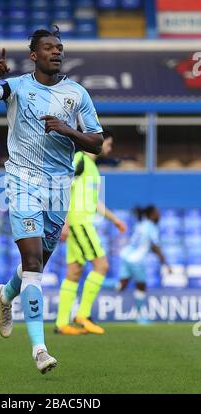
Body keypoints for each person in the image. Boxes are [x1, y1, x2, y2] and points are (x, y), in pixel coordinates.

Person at [0, 26, 103, 374]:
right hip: (21, 181)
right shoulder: (16, 87)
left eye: (59, 47)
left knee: (38, 263)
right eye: (49, 48)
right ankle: (40, 350)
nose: (56, 52)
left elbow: (97, 143)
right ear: (34, 55)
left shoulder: (77, 94)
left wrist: (69, 130)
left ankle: (4, 295)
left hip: (59, 188)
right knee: (32, 263)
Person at [55, 130, 127, 335]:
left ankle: (61, 323)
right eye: (109, 144)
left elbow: (94, 202)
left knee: (74, 271)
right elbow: (63, 188)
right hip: (79, 223)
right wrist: (65, 221)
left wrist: (115, 221)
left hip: (82, 222)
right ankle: (83, 315)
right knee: (102, 265)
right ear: (100, 142)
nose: (110, 149)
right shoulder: (79, 160)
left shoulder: (92, 168)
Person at [116, 205, 171, 324]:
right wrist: (165, 263)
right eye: (157, 213)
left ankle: (98, 284)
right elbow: (155, 246)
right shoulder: (151, 227)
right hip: (136, 259)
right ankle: (140, 317)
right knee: (141, 286)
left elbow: (142, 243)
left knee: (121, 286)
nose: (159, 215)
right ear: (151, 214)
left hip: (126, 255)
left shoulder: (140, 225)